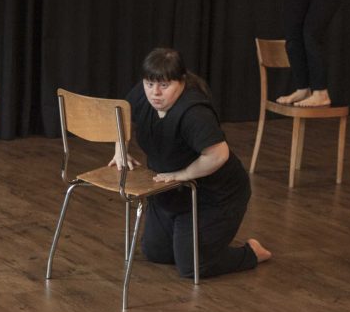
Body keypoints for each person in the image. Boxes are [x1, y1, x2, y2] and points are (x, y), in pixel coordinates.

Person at [111, 48, 271, 279]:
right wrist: (120, 151)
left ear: (181, 81)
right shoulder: (145, 93)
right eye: (149, 84)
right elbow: (121, 116)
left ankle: (252, 252)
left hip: (213, 196)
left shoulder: (194, 113)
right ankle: (186, 236)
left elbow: (218, 155)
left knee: (192, 266)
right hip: (171, 190)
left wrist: (184, 174)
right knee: (155, 252)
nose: (155, 92)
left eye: (164, 85)